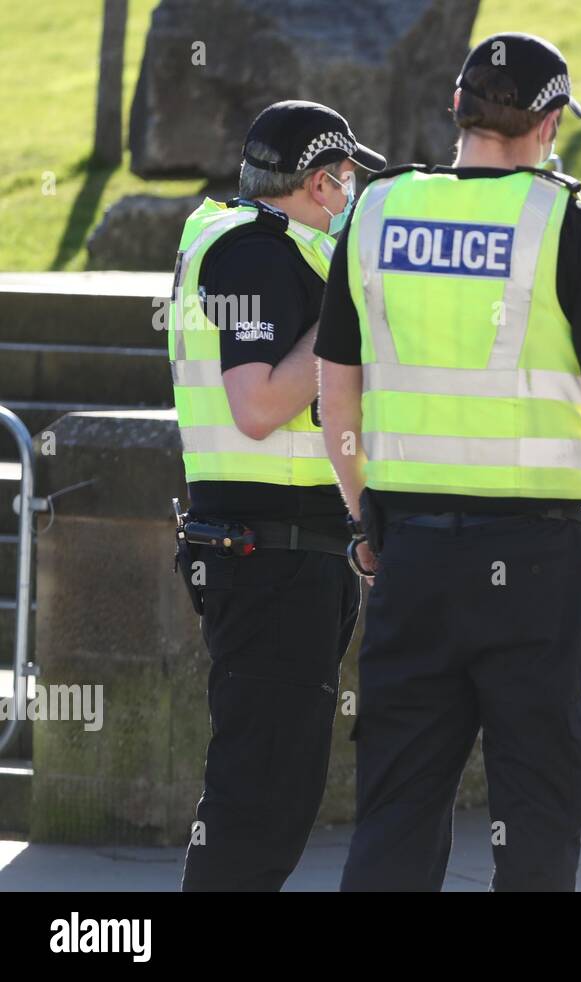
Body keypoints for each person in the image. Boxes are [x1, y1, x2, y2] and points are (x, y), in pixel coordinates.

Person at [316, 32, 581, 892]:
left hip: (408, 553)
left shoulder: (374, 212)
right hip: (530, 563)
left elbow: (336, 397)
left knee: (398, 805)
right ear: (550, 122)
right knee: (539, 803)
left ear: (457, 111)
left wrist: (366, 516)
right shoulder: (564, 225)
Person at [168, 100, 386, 891]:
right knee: (259, 794)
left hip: (287, 553)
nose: (354, 188)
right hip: (268, 556)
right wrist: (347, 310)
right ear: (322, 182)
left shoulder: (274, 247)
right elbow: (257, 406)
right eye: (347, 175)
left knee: (274, 789)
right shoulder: (254, 254)